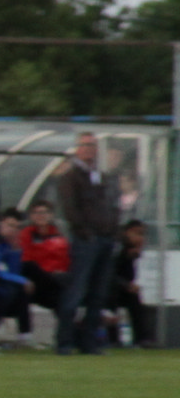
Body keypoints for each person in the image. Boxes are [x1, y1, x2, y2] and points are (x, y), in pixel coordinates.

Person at [55, 132, 120, 355]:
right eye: (85, 145)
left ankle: (90, 341)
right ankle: (64, 341)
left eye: (92, 145)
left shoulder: (101, 176)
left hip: (105, 239)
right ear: (77, 149)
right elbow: (70, 208)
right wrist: (84, 232)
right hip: (86, 240)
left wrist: (113, 231)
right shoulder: (70, 177)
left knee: (98, 294)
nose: (89, 149)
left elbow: (112, 204)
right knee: (77, 290)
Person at [0, 210, 36, 344]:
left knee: (21, 291)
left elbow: (18, 269)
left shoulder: (16, 246)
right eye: (10, 225)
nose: (14, 230)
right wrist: (23, 280)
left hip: (9, 284)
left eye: (17, 227)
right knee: (9, 291)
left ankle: (25, 334)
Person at [106, 220, 155, 348]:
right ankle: (113, 338)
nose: (141, 238)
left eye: (143, 234)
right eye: (138, 234)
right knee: (112, 297)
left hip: (120, 288)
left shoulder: (130, 252)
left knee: (134, 299)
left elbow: (129, 276)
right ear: (127, 233)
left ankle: (142, 338)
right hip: (107, 289)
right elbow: (107, 274)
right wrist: (126, 285)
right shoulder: (116, 248)